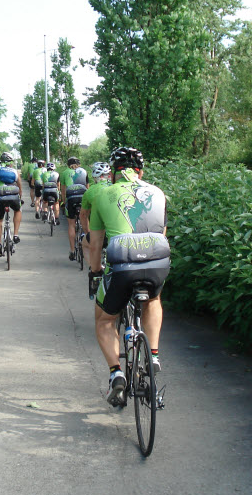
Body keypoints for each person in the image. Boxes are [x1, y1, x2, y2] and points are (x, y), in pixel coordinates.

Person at [88, 147, 170, 405]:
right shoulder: (158, 193)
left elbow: (96, 243)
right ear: (140, 172)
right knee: (154, 300)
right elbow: (162, 233)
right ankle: (154, 355)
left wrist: (95, 273)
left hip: (122, 262)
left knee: (104, 320)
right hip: (156, 259)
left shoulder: (104, 194)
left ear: (113, 173)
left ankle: (116, 374)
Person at [0, 151, 23, 257]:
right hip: (13, 195)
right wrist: (20, 198)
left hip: (0, 196)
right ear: (10, 162)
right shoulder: (15, 171)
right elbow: (19, 186)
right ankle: (15, 234)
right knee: (18, 210)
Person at [60, 156, 89, 260]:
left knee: (71, 225)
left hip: (71, 198)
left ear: (68, 165)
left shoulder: (64, 173)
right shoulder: (84, 172)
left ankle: (72, 250)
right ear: (79, 164)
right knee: (85, 221)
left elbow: (63, 190)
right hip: (83, 197)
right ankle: (90, 244)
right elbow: (88, 188)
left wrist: (64, 202)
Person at [80, 161, 112, 253]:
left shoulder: (89, 191)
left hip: (99, 232)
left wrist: (88, 233)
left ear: (95, 176)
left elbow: (83, 215)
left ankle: (94, 267)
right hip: (120, 233)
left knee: (85, 245)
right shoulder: (118, 187)